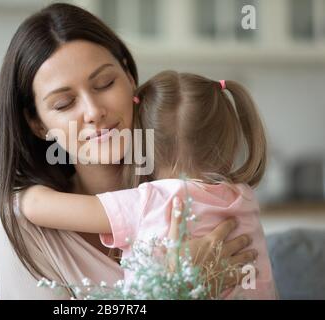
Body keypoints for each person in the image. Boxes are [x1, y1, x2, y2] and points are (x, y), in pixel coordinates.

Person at [0, 3, 256, 299]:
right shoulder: (21, 228)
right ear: (37, 123)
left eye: (105, 83)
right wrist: (176, 288)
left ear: (129, 78)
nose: (93, 112)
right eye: (64, 103)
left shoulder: (202, 191)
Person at [20, 71, 277, 299]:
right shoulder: (245, 198)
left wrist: (23, 191)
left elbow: (34, 206)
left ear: (143, 148)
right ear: (229, 147)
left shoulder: (150, 201)